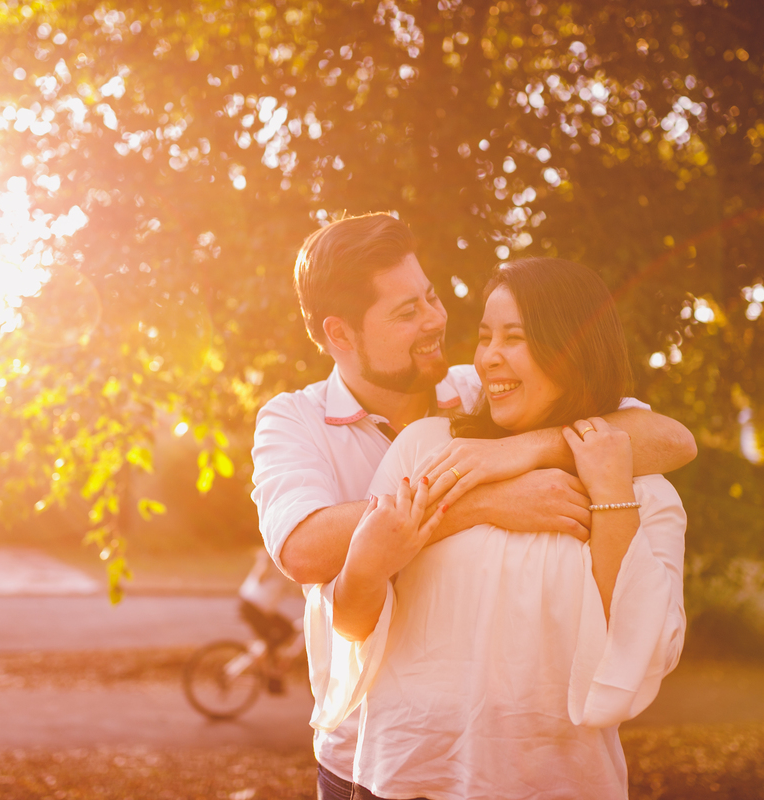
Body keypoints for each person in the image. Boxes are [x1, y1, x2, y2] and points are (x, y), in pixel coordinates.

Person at [250, 213, 697, 799]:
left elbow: (667, 439)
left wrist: (520, 451)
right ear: (341, 335)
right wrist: (482, 501)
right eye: (407, 313)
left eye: (430, 297)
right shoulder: (295, 420)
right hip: (370, 758)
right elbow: (306, 550)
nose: (437, 321)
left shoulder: (481, 391)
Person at [237, 547, 299, 693]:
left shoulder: (289, 567)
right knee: (274, 637)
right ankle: (270, 675)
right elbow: (260, 575)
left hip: (262, 609)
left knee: (287, 630)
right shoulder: (272, 560)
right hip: (253, 606)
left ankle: (265, 659)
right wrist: (266, 560)